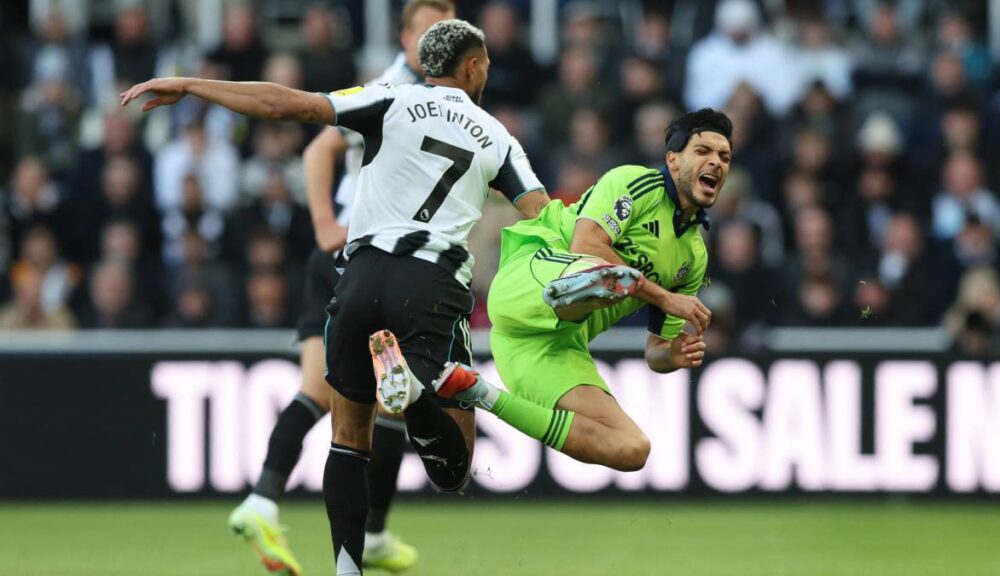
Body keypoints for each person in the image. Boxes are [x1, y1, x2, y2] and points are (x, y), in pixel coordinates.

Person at [121, 19, 548, 575]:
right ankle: (414, 393)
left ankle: (347, 569)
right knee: (453, 469)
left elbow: (284, 105)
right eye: (486, 66)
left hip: (360, 275)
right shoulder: (497, 135)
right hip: (431, 283)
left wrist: (194, 86)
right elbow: (545, 218)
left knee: (348, 440)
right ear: (472, 67)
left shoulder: (388, 97)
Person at [226, 1, 454, 574]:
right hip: (364, 257)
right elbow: (319, 145)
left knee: (326, 392)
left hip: (351, 257)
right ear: (404, 38)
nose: (437, 43)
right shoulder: (394, 88)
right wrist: (328, 226)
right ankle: (369, 533)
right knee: (388, 404)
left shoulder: (434, 95)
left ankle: (263, 498)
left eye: (446, 30)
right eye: (428, 30)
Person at [432, 110, 729, 471]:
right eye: (703, 151)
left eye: (724, 157)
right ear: (672, 159)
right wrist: (663, 297)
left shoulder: (693, 257)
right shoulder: (633, 183)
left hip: (542, 345)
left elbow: (655, 353)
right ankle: (578, 290)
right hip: (530, 278)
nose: (715, 161)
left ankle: (478, 392)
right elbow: (586, 244)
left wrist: (674, 356)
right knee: (603, 272)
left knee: (631, 448)